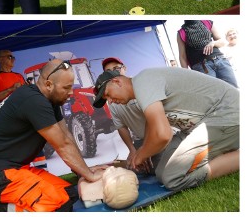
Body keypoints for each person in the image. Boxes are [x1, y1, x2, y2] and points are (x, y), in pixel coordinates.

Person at [0, 60, 105, 212]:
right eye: (66, 87)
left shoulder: (50, 100)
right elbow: (62, 145)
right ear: (48, 84)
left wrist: (83, 171)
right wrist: (90, 176)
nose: (70, 92)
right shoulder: (34, 100)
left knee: (69, 194)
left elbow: (66, 136)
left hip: (15, 169)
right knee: (56, 204)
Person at [93, 68, 239, 191]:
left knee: (172, 179)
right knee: (161, 173)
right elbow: (151, 126)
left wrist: (141, 155)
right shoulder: (142, 89)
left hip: (225, 115)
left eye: (107, 95)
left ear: (117, 82)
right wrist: (143, 149)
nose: (110, 101)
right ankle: (226, 149)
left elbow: (163, 135)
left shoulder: (143, 82)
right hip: (197, 126)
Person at [101, 57, 162, 174]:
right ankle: (120, 163)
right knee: (134, 167)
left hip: (158, 133)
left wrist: (144, 150)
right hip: (140, 140)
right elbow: (121, 126)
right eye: (108, 71)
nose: (113, 73)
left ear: (124, 68)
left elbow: (152, 121)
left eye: (116, 68)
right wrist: (132, 150)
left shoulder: (140, 85)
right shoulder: (112, 100)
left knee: (157, 169)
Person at [176, 20, 237, 86]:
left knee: (233, 89)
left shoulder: (207, 22)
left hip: (220, 60)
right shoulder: (181, 32)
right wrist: (186, 75)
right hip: (201, 66)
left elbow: (222, 42)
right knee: (213, 93)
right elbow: (182, 56)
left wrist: (213, 43)